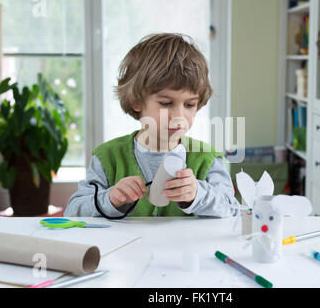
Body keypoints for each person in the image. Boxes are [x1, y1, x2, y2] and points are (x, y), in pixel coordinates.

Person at [64, 33, 240, 218]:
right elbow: (73, 211)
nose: (179, 116)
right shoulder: (107, 157)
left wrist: (198, 195)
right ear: (136, 101)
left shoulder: (208, 160)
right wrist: (110, 200)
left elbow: (233, 211)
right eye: (166, 103)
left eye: (189, 105)